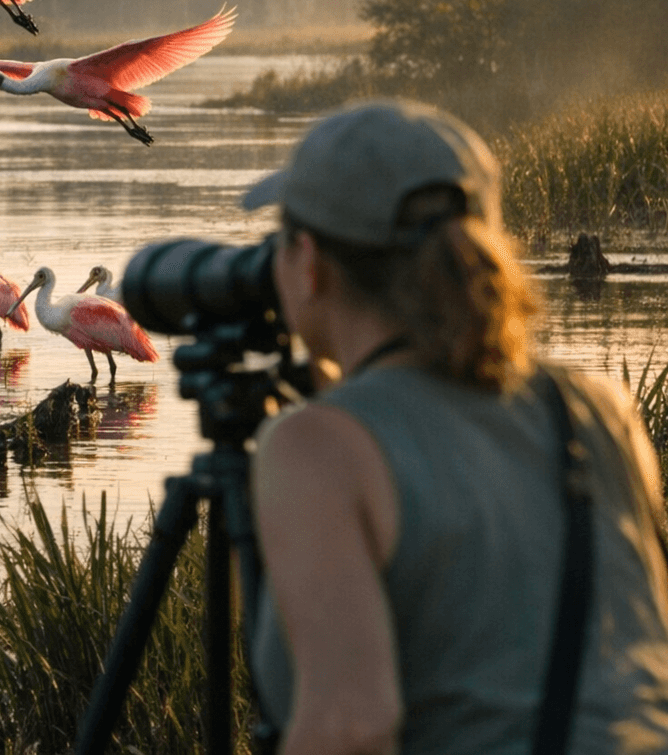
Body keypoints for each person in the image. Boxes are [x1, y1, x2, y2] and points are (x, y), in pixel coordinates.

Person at [243, 98, 668, 755]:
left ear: (308, 262)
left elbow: (352, 729)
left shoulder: (319, 448)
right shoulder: (599, 407)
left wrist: (329, 422)